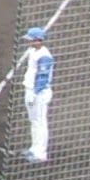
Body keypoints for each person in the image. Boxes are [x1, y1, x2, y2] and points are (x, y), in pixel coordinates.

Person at [20, 26, 54, 163]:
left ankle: (41, 154)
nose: (29, 42)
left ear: (39, 40)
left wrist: (35, 93)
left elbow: (42, 77)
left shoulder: (44, 56)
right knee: (34, 121)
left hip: (39, 93)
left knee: (40, 122)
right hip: (31, 90)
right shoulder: (34, 51)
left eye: (31, 40)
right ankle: (34, 149)